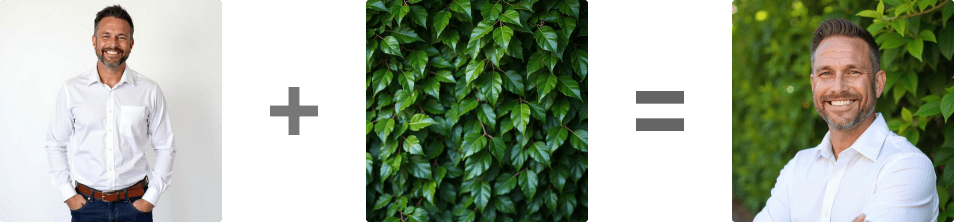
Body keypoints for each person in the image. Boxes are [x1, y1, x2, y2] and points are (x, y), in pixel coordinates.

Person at [752, 18, 939, 222]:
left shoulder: (907, 166)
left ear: (878, 83)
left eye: (853, 72)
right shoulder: (797, 168)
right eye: (826, 73)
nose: (838, 87)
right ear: (813, 84)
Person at [45, 5, 176, 221]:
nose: (113, 44)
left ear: (131, 44)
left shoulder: (149, 90)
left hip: (135, 207)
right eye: (106, 36)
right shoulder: (71, 90)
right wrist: (68, 194)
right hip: (87, 207)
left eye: (121, 37)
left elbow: (165, 146)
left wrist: (149, 199)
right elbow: (55, 144)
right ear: (95, 40)